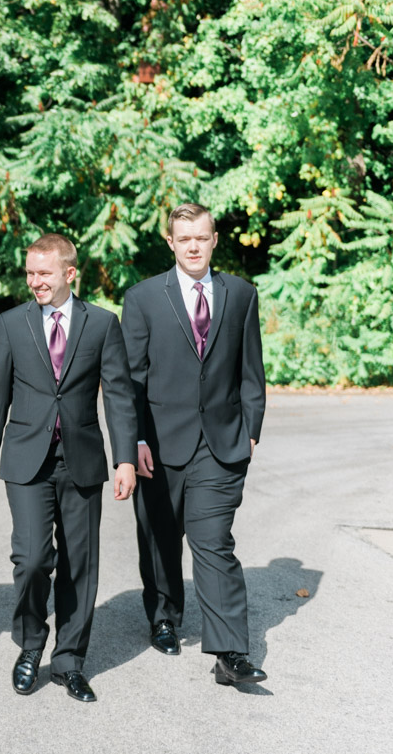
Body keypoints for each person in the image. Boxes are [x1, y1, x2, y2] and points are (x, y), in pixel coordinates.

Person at [0, 234, 136, 702]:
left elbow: (120, 396)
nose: (34, 281)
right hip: (26, 460)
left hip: (82, 460)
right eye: (29, 273)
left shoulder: (102, 323)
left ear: (69, 273)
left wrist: (124, 458)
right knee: (31, 559)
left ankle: (69, 661)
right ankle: (29, 644)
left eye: (43, 273)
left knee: (81, 565)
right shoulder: (11, 323)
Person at [121, 202, 268, 685]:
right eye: (184, 239)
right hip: (159, 445)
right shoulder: (143, 298)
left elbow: (252, 371)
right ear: (170, 242)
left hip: (222, 444)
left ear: (214, 239)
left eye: (201, 238)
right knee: (161, 538)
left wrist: (251, 428)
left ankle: (230, 652)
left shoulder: (241, 294)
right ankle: (163, 615)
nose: (193, 246)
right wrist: (134, 439)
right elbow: (131, 381)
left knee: (214, 544)